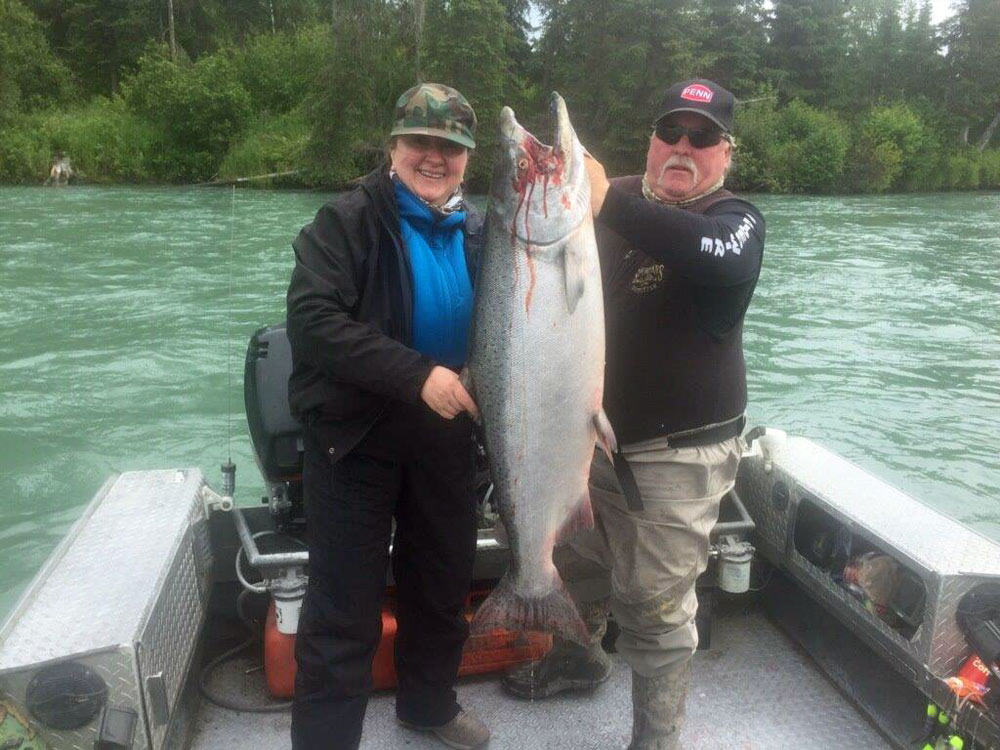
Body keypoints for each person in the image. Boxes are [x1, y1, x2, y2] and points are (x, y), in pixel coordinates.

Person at [503, 78, 766, 750]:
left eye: (702, 137)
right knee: (578, 554)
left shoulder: (734, 224)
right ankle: (578, 655)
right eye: (670, 133)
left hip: (678, 456)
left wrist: (605, 199)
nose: (683, 147)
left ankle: (657, 738)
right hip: (587, 439)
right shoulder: (600, 202)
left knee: (653, 604)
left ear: (725, 154)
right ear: (651, 143)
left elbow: (704, 253)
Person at [286, 82, 490, 750]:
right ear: (393, 146)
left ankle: (428, 707)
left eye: (450, 147)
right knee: (343, 614)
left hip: (448, 440)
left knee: (440, 590)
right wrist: (416, 375)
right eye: (421, 143)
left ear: (468, 156)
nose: (435, 158)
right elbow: (313, 323)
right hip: (357, 441)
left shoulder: (484, 232)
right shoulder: (344, 222)